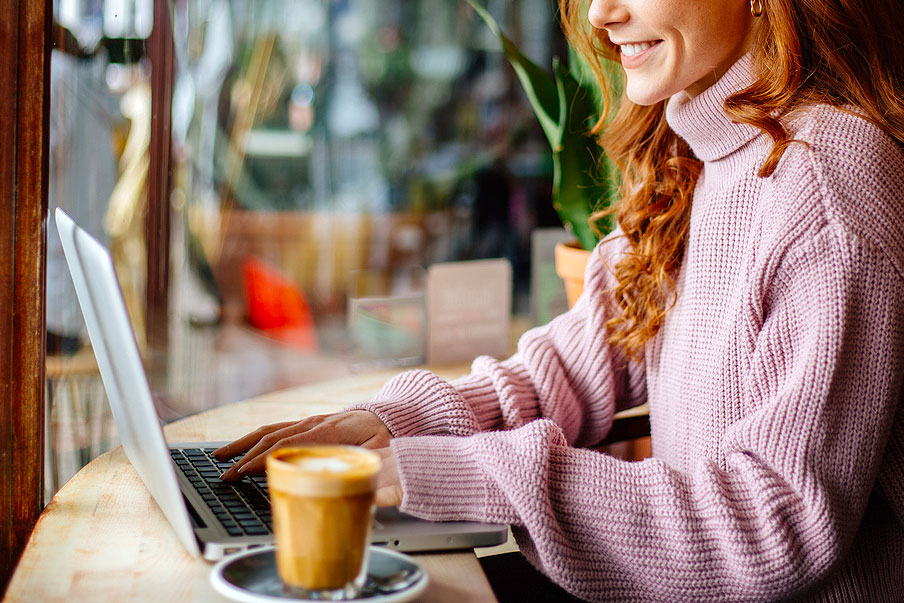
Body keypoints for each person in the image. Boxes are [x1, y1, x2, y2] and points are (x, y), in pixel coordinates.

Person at [216, 0, 904, 599]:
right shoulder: (698, 143)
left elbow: (772, 522)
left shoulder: (823, 186)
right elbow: (573, 365)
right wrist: (394, 424)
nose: (601, 14)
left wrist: (456, 471)